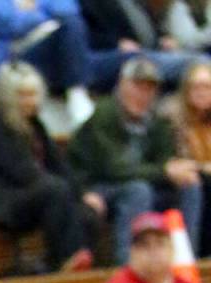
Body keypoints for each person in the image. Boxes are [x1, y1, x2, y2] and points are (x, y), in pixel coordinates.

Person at [0, 61, 99, 273]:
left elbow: (59, 166)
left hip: (21, 199)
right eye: (23, 95)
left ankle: (81, 265)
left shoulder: (35, 126)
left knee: (86, 212)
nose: (30, 101)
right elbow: (24, 173)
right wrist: (66, 192)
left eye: (33, 95)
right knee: (54, 190)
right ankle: (64, 260)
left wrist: (82, 194)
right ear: (8, 98)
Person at [69, 56, 202, 264]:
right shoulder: (104, 113)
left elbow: (164, 159)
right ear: (122, 85)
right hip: (97, 186)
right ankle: (129, 264)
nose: (143, 94)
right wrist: (164, 171)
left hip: (142, 182)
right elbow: (114, 168)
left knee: (189, 183)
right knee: (137, 190)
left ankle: (186, 260)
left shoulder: (157, 119)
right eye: (137, 87)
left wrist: (175, 170)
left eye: (149, 89)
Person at [0, 0, 96, 126]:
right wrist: (44, 14)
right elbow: (11, 24)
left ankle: (77, 90)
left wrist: (32, 9)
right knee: (71, 29)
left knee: (74, 26)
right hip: (17, 55)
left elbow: (68, 10)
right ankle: (77, 92)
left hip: (61, 46)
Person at [80, 0, 198, 89]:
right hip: (116, 55)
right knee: (193, 65)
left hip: (152, 51)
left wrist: (163, 39)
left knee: (191, 60)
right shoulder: (92, 3)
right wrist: (115, 44)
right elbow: (89, 31)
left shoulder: (136, 3)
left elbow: (150, 26)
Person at [162, 59, 211, 253]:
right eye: (196, 87)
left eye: (206, 87)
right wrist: (202, 167)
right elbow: (171, 160)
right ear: (186, 90)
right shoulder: (170, 117)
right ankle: (191, 256)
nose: (201, 92)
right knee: (196, 184)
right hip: (174, 181)